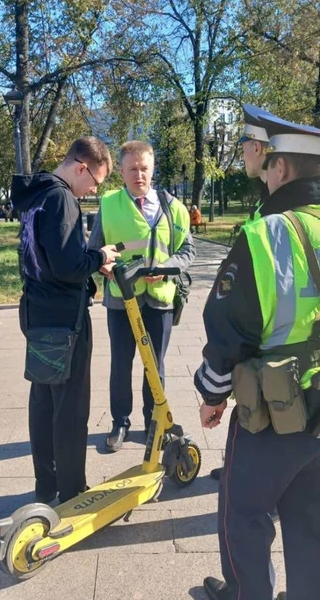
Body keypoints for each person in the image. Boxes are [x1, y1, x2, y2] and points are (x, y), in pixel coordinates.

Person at [194, 117, 320, 600]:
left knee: (245, 514)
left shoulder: (265, 235)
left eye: (265, 163)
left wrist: (212, 395)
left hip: (273, 418)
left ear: (282, 167)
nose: (261, 171)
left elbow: (227, 330)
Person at [11, 137, 122, 505]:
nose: (92, 190)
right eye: (94, 181)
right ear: (81, 167)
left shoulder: (37, 193)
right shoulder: (60, 198)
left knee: (43, 402)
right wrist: (99, 255)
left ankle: (47, 484)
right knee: (70, 407)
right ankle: (72, 490)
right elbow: (67, 265)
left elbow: (47, 256)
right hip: (64, 319)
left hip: (38, 311)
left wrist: (87, 258)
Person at [87, 140, 196, 452]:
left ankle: (154, 422)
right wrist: (103, 265)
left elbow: (187, 249)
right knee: (121, 363)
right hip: (122, 299)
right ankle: (120, 422)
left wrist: (168, 267)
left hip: (160, 298)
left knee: (155, 365)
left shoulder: (173, 206)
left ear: (153, 169)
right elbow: (94, 249)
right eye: (132, 169)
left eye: (144, 168)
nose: (139, 175)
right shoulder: (109, 204)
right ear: (121, 171)